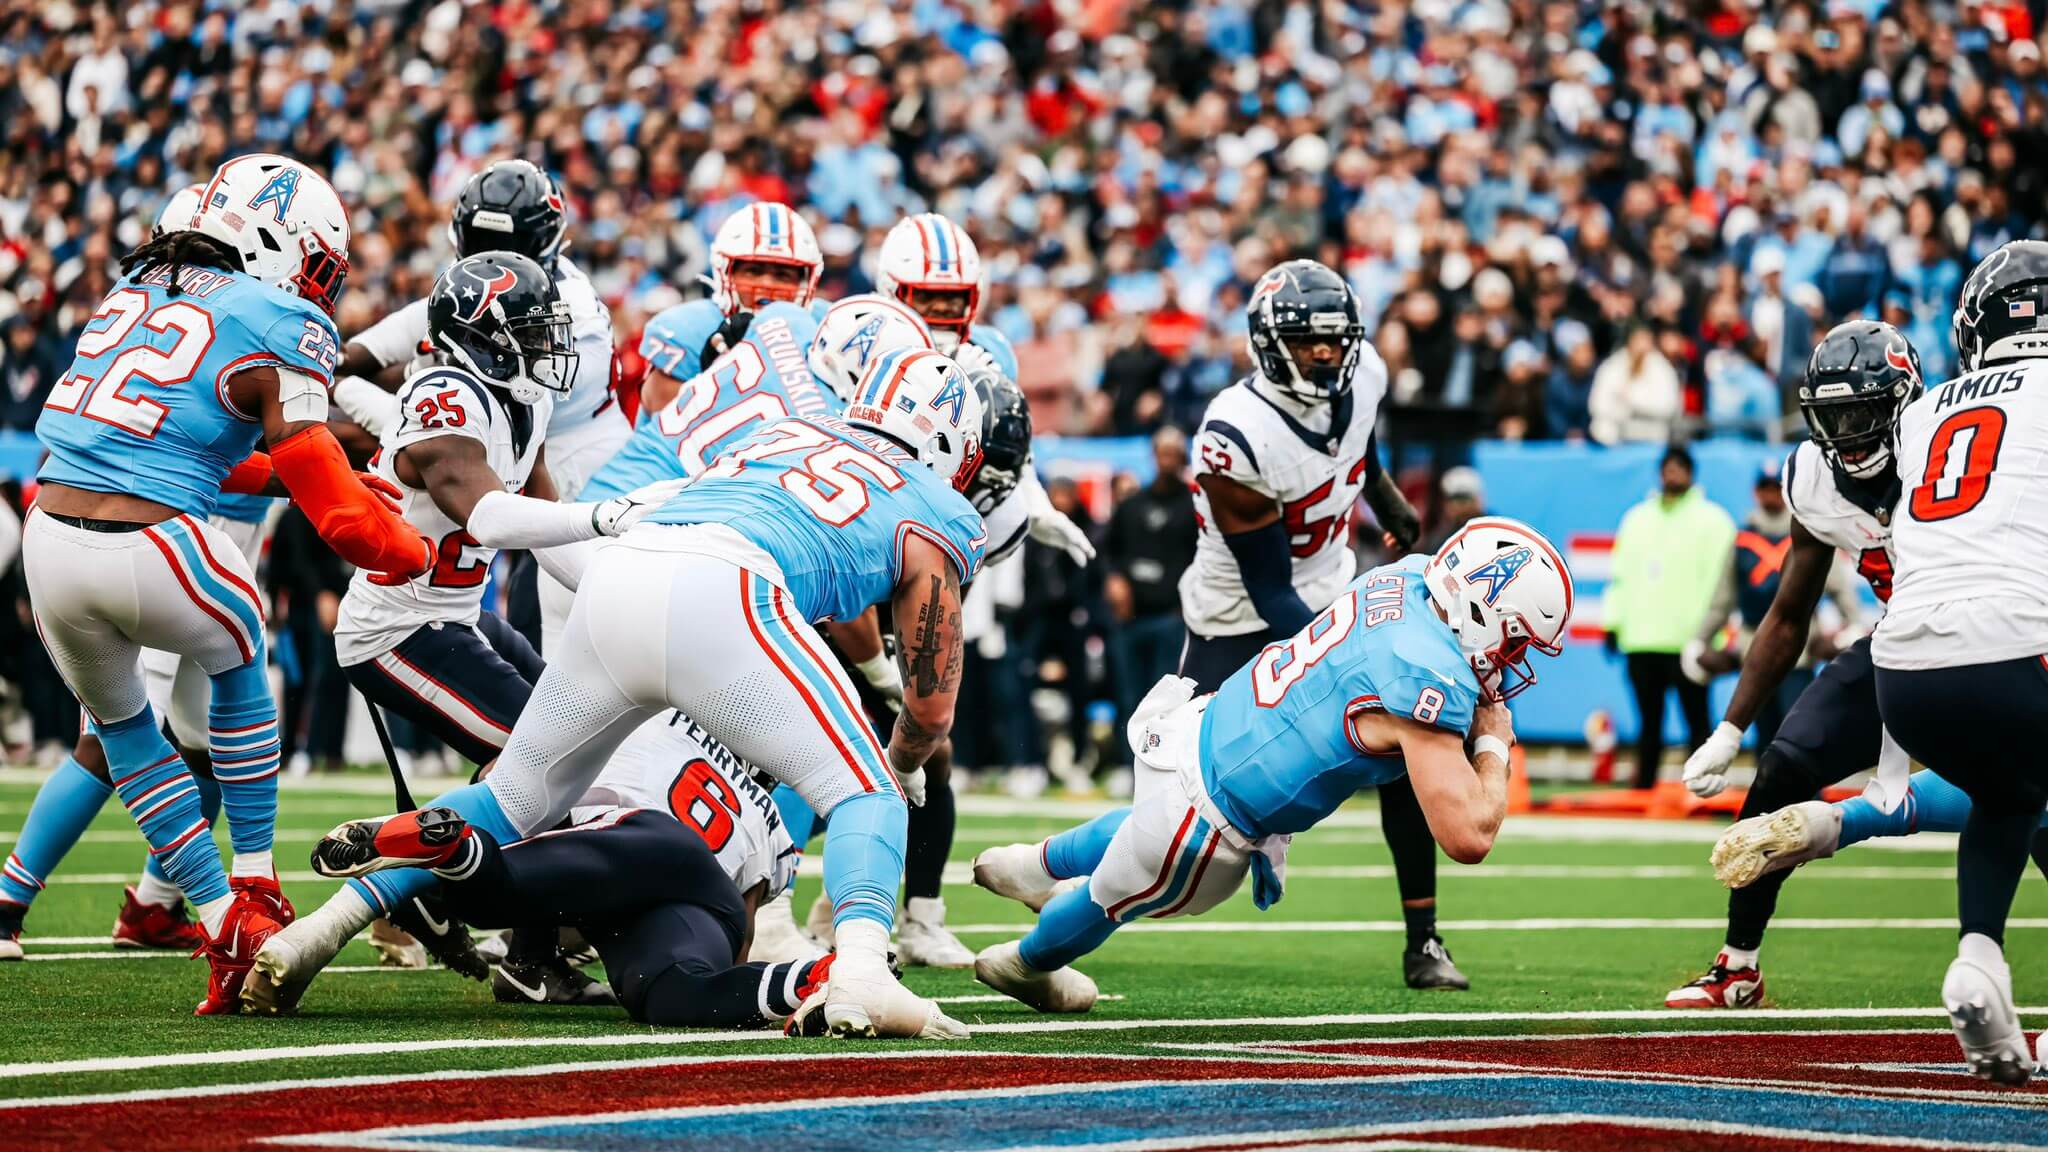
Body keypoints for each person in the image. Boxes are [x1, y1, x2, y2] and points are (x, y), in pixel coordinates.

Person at [250, 347, 988, 1041]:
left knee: (515, 798)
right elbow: (931, 706)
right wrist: (908, 758)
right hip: (725, 589)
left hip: (623, 570)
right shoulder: (936, 503)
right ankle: (859, 971)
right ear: (960, 449)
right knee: (866, 792)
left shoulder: (790, 430)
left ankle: (316, 931)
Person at [21, 152, 433, 1013]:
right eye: (315, 267)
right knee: (242, 651)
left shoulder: (137, 288)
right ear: (275, 243)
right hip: (153, 541)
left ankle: (214, 915)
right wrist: (415, 552)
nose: (317, 289)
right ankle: (254, 884)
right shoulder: (277, 316)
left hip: (49, 541)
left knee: (128, 732)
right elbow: (345, 522)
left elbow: (180, 445)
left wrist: (305, 479)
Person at [969, 518, 1571, 1012]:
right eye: (1514, 641)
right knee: (1116, 894)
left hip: (1202, 726)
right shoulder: (1422, 679)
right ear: (1480, 613)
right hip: (1212, 816)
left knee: (1137, 827)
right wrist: (1493, 746)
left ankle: (1035, 863)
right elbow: (1468, 836)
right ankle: (1029, 963)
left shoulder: (1409, 577)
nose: (1513, 660)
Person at [0, 185, 279, 959]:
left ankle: (159, 901)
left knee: (195, 739)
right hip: (162, 546)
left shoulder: (149, 306)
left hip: (162, 545)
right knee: (119, 737)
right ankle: (12, 894)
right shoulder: (249, 318)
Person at [1169, 259, 1454, 990]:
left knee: (1407, 743)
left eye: (1335, 339)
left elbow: (1359, 448)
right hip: (1235, 618)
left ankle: (1424, 939)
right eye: (1308, 342)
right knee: (1179, 788)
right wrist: (1350, 648)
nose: (1327, 354)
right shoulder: (1235, 433)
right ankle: (1085, 896)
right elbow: (1269, 592)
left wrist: (1386, 502)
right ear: (1268, 345)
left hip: (1330, 590)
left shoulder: (1366, 381)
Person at [1666, 321, 1917, 1010]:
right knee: (1783, 768)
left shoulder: (1947, 444)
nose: (1849, 429)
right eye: (1833, 414)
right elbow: (1787, 611)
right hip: (1907, 641)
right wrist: (1729, 728)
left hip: (2002, 639)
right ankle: (1737, 965)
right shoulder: (1812, 477)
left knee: (2028, 796)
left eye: (1862, 410)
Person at [1873, 239, 2048, 1084]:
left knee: (2009, 793)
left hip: (1905, 676)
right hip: (2019, 647)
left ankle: (1978, 957)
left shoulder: (1926, 407)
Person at [310, 803, 825, 1030]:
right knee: (670, 994)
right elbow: (745, 924)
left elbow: (509, 782)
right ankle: (819, 978)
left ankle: (455, 850)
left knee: (496, 894)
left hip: (634, 835)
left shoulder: (656, 711)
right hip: (705, 896)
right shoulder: (767, 810)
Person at [1683, 461, 1866, 754]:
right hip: (1753, 648)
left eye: (1777, 488)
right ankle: (1769, 799)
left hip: (1797, 651)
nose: (1771, 495)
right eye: (1765, 488)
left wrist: (1854, 622)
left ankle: (1804, 797)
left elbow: (1837, 585)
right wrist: (1699, 640)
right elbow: (1723, 600)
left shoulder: (1805, 533)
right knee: (1764, 740)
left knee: (1798, 737)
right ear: (1756, 492)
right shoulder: (1743, 540)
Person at [1606, 443, 1734, 789]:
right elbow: (1620, 575)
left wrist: (1713, 634)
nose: (1672, 473)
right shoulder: (1637, 519)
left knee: (1698, 722)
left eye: (1679, 466)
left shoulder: (1713, 521)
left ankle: (1703, 788)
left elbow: (1724, 584)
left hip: (1689, 640)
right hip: (1643, 638)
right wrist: (1613, 623)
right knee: (1648, 723)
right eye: (1667, 467)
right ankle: (1643, 789)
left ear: (1691, 472)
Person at [1104, 427, 1198, 762]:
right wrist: (1114, 580)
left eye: (1174, 454)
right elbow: (1109, 553)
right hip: (1131, 617)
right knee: (1127, 693)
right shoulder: (1132, 505)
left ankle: (1159, 762)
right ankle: (1124, 763)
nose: (1167, 461)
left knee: (1164, 699)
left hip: (1170, 616)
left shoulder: (1193, 507)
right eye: (1162, 453)